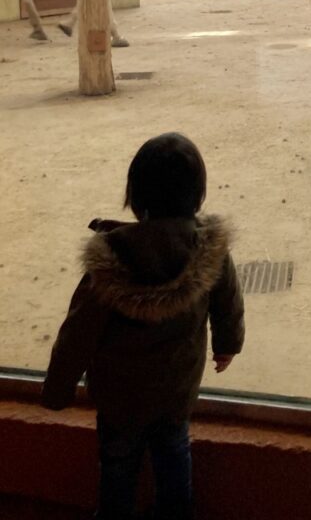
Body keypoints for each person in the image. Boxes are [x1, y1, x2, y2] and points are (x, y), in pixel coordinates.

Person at [42, 132, 246, 520]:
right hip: (175, 392)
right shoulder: (209, 250)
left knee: (117, 471)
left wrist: (57, 389)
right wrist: (227, 343)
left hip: (119, 400)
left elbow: (77, 333)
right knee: (174, 459)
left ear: (134, 198)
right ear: (198, 195)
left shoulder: (109, 261)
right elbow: (229, 301)